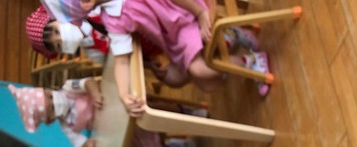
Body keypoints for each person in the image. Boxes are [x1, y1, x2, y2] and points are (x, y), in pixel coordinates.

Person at [73, 0, 270, 105]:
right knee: (204, 83)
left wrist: (200, 12)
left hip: (187, 15)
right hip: (174, 37)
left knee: (199, 70)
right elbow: (122, 61)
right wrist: (124, 95)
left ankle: (252, 60)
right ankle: (230, 37)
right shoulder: (111, 20)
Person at [7, 78, 195, 147]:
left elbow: (88, 82)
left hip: (117, 104)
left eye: (49, 96)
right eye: (51, 109)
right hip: (116, 128)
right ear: (49, 120)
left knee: (152, 108)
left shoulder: (68, 88)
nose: (54, 101)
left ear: (48, 89)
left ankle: (188, 113)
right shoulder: (67, 126)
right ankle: (177, 146)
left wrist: (95, 93)